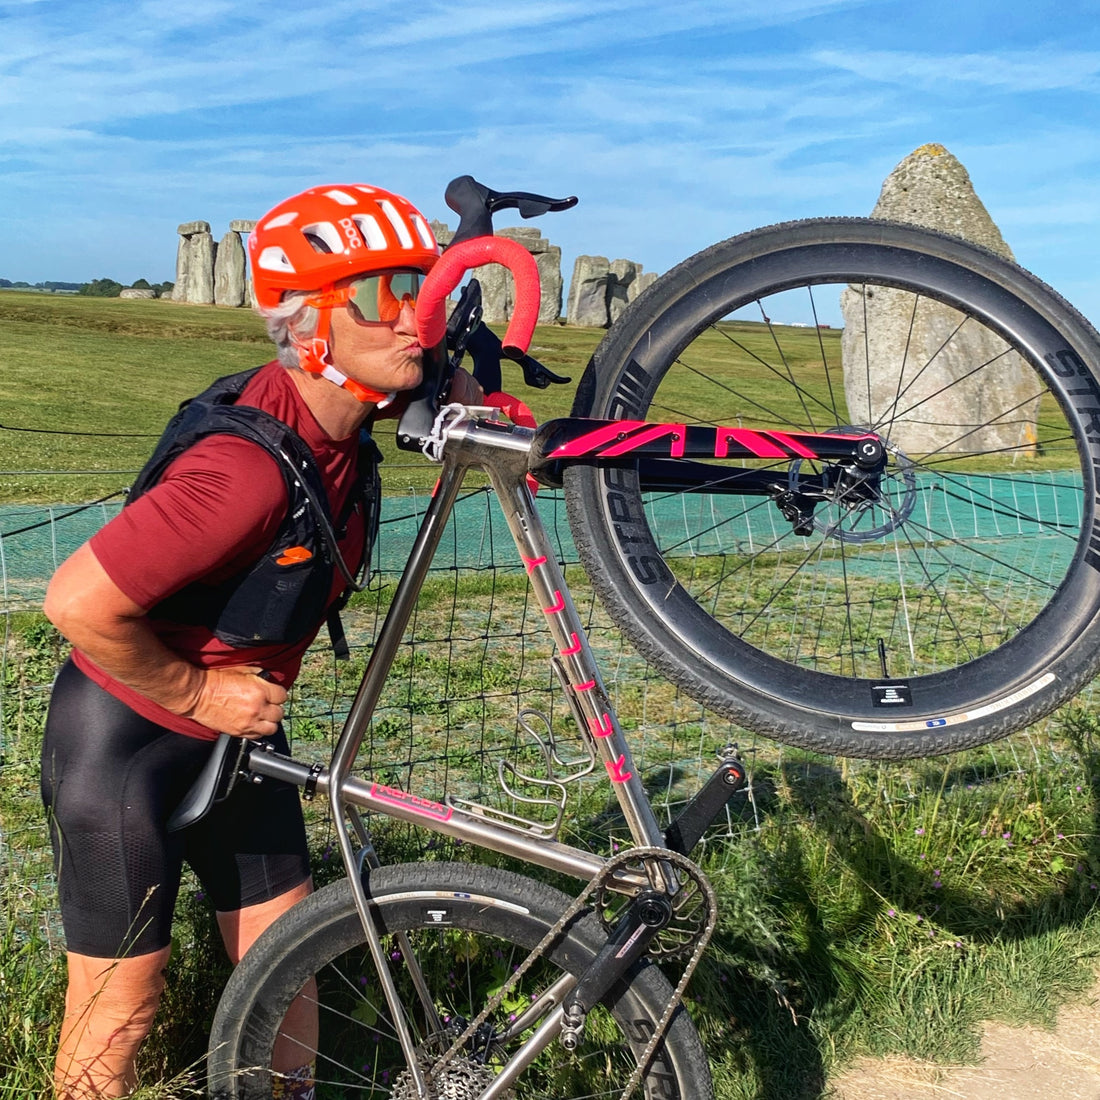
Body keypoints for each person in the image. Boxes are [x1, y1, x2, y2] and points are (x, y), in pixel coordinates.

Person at [39, 183, 476, 1099]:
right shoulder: (242, 474)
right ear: (310, 323)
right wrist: (200, 696)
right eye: (384, 292)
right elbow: (76, 602)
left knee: (288, 974)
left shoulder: (345, 416)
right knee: (121, 1009)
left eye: (421, 287)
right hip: (128, 745)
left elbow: (439, 381)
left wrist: (462, 385)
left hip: (242, 742)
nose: (415, 317)